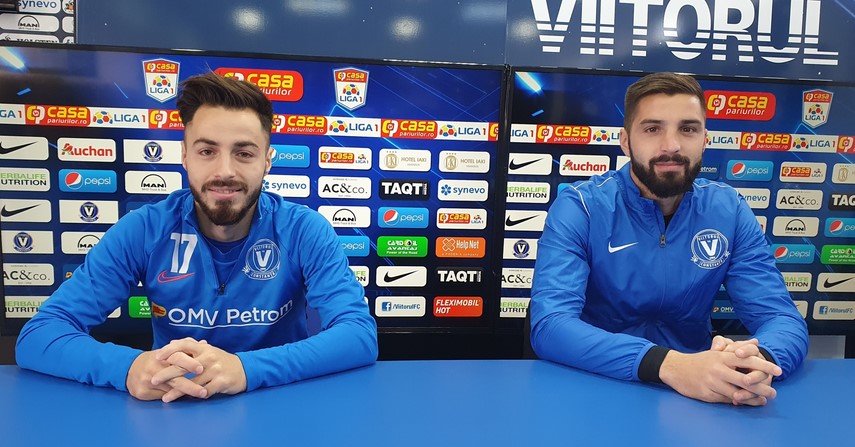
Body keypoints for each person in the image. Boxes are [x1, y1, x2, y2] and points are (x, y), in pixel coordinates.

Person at [16, 72, 378, 402]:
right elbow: (39, 335)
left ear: (267, 161)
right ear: (185, 156)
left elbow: (358, 335)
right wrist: (127, 368)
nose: (225, 171)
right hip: (172, 408)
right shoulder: (143, 230)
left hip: (281, 402)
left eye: (244, 153)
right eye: (207, 151)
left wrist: (246, 369)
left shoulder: (304, 229)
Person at [529, 72, 808, 406]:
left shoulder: (729, 209)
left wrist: (754, 363)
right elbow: (551, 326)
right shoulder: (581, 206)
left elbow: (781, 319)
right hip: (595, 386)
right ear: (625, 141)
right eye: (652, 129)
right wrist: (670, 366)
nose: (671, 146)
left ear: (705, 140)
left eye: (687, 129)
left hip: (699, 396)